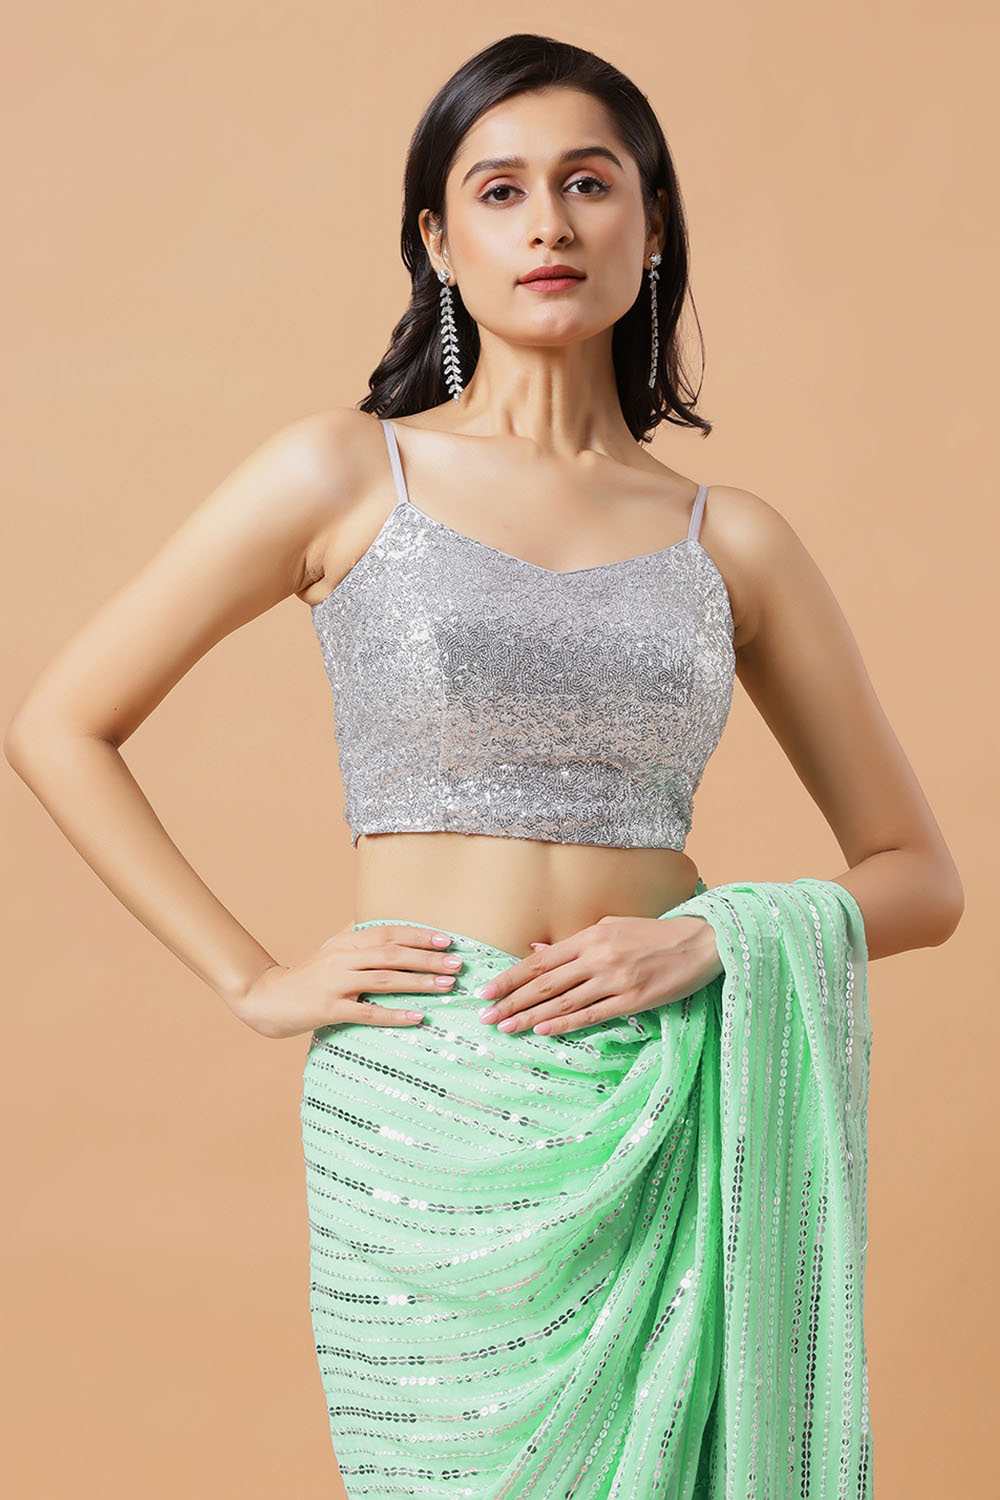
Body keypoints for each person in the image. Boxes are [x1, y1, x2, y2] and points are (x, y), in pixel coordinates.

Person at [5, 33, 963, 1500]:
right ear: (440, 243)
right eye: (501, 191)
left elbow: (920, 878)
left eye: (590, 183)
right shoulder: (346, 474)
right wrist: (250, 977)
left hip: (660, 1092)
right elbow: (58, 724)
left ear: (653, 223)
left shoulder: (733, 540)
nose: (550, 224)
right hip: (421, 1109)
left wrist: (711, 938)